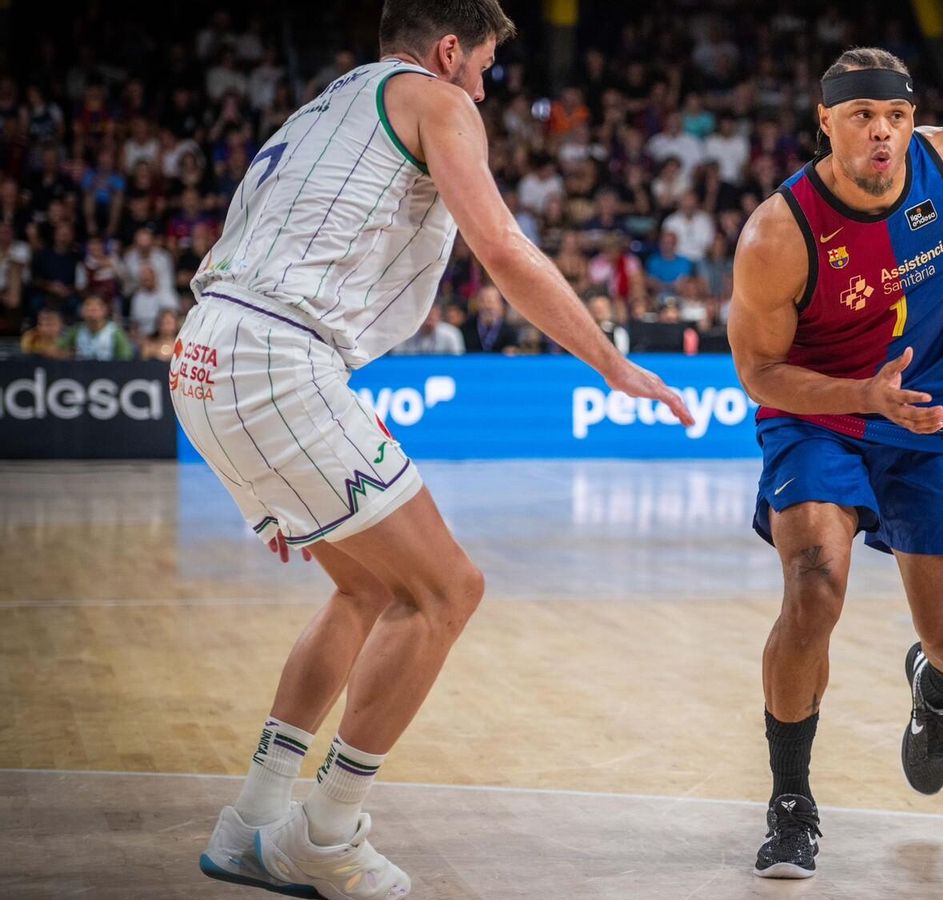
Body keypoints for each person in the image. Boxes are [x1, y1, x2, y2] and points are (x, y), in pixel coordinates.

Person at [175, 4, 691, 898]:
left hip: (208, 349)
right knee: (449, 589)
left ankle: (251, 819)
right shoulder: (437, 99)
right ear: (449, 50)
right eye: (485, 65)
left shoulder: (323, 107)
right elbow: (503, 247)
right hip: (275, 357)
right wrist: (610, 361)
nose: (486, 86)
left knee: (368, 585)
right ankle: (324, 835)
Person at [728, 47, 943, 879]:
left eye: (895, 116)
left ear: (912, 120)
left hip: (932, 417)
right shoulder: (779, 232)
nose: (882, 132)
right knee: (814, 585)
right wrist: (858, 396)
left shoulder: (942, 165)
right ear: (827, 122)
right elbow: (759, 373)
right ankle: (791, 802)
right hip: (823, 417)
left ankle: (936, 685)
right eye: (862, 118)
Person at [64, 293, 134, 360]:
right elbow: (59, 350)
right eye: (88, 305)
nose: (91, 309)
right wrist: (68, 353)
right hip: (80, 370)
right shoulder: (76, 330)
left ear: (104, 310)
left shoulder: (114, 331)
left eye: (96, 307)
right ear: (82, 310)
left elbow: (125, 356)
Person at [461, 283, 518, 353]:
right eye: (483, 301)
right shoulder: (465, 329)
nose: (487, 306)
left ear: (501, 305)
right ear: (477, 304)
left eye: (491, 301)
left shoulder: (510, 332)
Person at [394, 301, 465, 355]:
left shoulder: (451, 334)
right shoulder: (405, 334)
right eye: (427, 314)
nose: (430, 318)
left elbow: (458, 361)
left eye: (433, 314)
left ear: (440, 316)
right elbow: (396, 359)